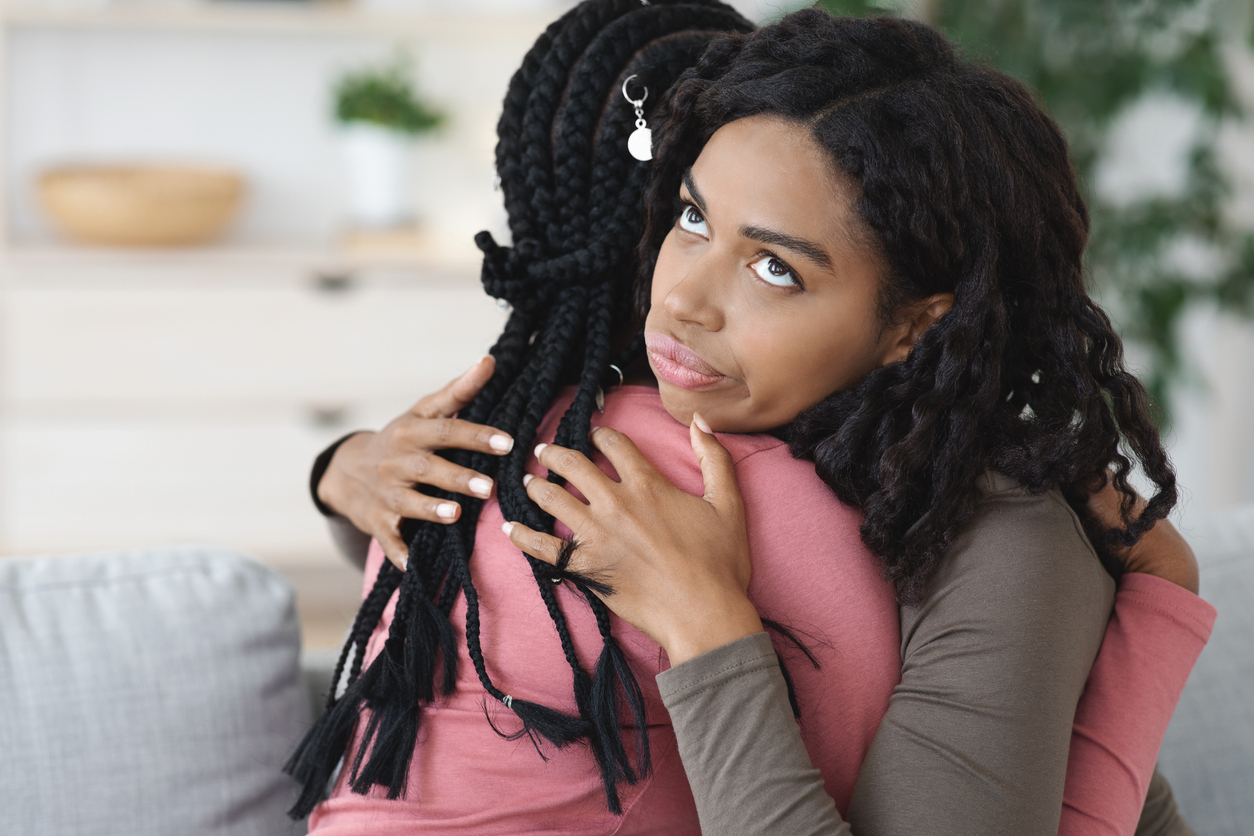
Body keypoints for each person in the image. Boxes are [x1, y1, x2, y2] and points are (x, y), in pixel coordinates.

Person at [294, 4, 1214, 834]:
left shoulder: (1000, 532)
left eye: (775, 268)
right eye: (692, 218)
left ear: (915, 323)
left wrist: (707, 629)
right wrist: (344, 474)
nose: (683, 298)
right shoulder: (596, 406)